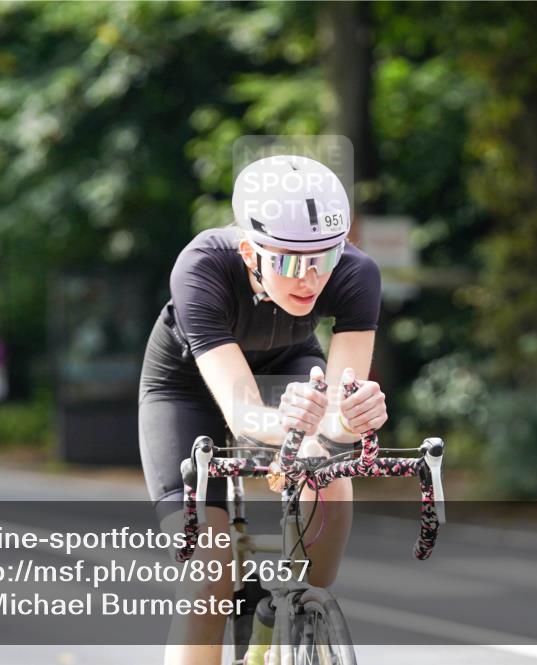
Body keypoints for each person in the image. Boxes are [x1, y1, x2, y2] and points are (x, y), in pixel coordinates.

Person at [138, 154, 388, 665]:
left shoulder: (357, 272)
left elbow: (337, 415)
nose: (310, 279)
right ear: (250, 252)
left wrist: (350, 417)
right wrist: (293, 423)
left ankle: (296, 613)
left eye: (325, 258)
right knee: (208, 578)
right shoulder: (202, 267)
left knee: (327, 468)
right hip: (188, 387)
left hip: (288, 361)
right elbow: (243, 413)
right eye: (292, 262)